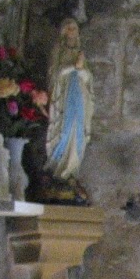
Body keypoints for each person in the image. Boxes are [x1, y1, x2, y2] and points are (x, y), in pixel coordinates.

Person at [44, 17, 93, 185]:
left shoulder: (80, 53)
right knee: (63, 130)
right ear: (63, 31)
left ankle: (71, 169)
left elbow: (88, 79)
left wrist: (81, 70)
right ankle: (58, 168)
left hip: (78, 97)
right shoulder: (58, 50)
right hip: (63, 97)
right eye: (69, 28)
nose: (72, 31)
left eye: (74, 28)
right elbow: (54, 73)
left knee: (77, 130)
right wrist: (74, 67)